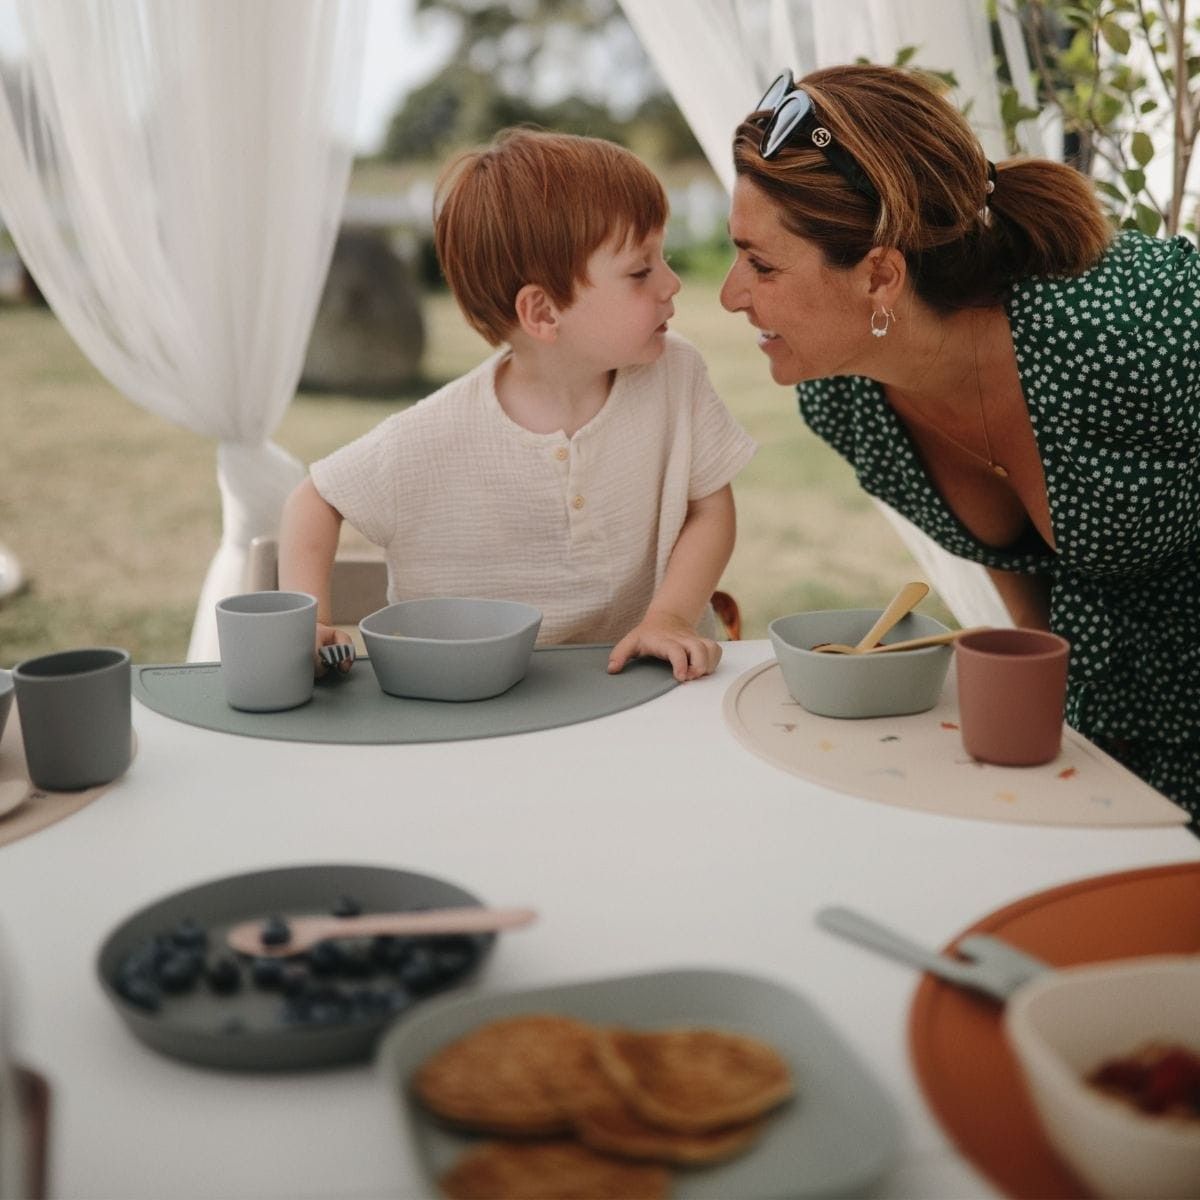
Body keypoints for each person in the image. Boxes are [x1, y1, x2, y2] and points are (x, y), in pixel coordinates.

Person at [720, 63, 1200, 824]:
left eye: (761, 263)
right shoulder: (845, 400)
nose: (729, 295)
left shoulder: (1135, 327)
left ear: (880, 275)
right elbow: (1024, 573)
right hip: (1102, 763)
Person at [280, 128, 756, 683]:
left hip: (653, 693)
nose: (671, 283)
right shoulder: (434, 434)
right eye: (640, 270)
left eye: (663, 256)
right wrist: (306, 622)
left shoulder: (677, 375)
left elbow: (709, 509)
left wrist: (670, 616)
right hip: (481, 713)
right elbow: (313, 501)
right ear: (543, 313)